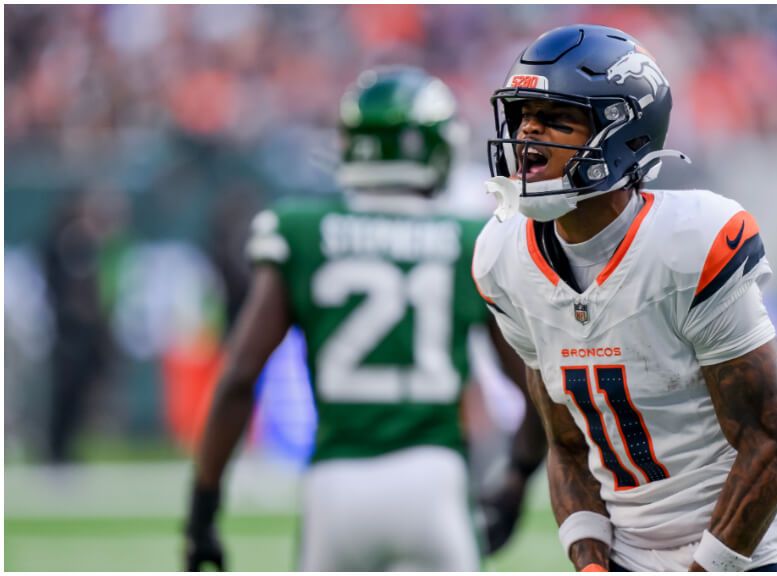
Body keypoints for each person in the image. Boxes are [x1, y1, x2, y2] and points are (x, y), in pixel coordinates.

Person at [473, 25, 777, 572]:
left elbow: (770, 449)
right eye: (522, 117)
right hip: (627, 554)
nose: (527, 137)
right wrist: (591, 563)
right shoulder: (502, 257)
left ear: (621, 136)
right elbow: (568, 446)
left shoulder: (690, 245)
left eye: (556, 121)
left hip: (743, 554)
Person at [184, 67, 545, 572]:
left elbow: (240, 375)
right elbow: (535, 386)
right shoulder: (470, 239)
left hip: (337, 485)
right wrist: (517, 476)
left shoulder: (302, 230)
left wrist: (202, 508)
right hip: (433, 481)